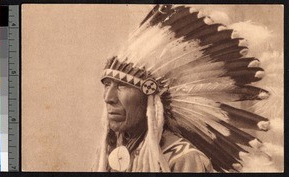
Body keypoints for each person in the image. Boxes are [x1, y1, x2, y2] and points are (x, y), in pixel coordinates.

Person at [93, 5, 270, 172]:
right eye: (107, 84)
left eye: (123, 86)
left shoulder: (184, 159)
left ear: (150, 99)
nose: (108, 97)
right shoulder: (110, 149)